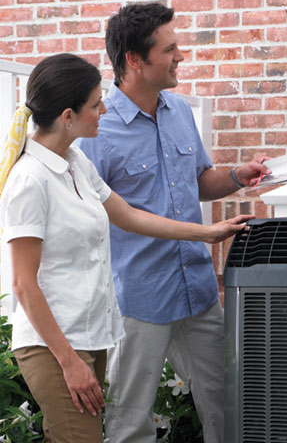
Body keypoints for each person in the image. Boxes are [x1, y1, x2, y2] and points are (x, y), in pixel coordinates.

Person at [0, 53, 253, 443]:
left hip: (88, 336)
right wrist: (69, 362)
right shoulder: (30, 180)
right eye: (96, 103)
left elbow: (129, 215)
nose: (104, 110)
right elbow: (23, 285)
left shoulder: (75, 163)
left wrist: (206, 233)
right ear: (68, 116)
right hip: (53, 345)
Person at [78, 2, 269, 443]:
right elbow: (94, 215)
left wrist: (239, 175)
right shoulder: (97, 131)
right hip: (138, 298)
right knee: (131, 422)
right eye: (170, 48)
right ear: (134, 60)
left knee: (228, 403)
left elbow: (199, 180)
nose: (181, 56)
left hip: (197, 290)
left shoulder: (180, 111)